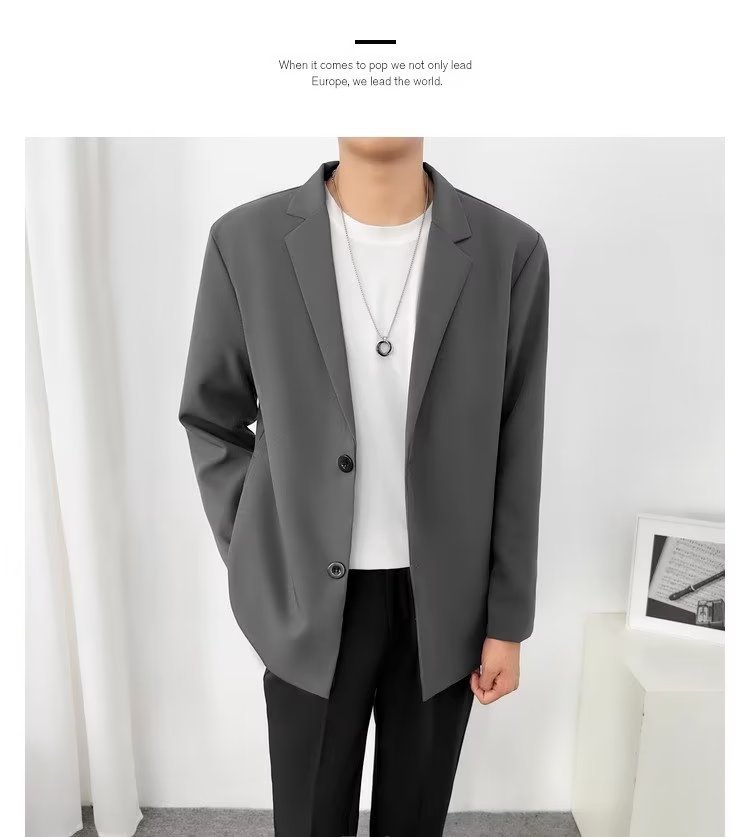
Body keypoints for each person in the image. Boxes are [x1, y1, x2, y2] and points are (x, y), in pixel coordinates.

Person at [179, 137, 550, 836]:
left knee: (414, 820)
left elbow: (518, 444)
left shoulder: (511, 251)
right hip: (310, 602)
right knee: (310, 820)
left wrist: (509, 620)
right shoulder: (245, 242)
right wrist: (262, 554)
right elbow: (211, 416)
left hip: (446, 607)